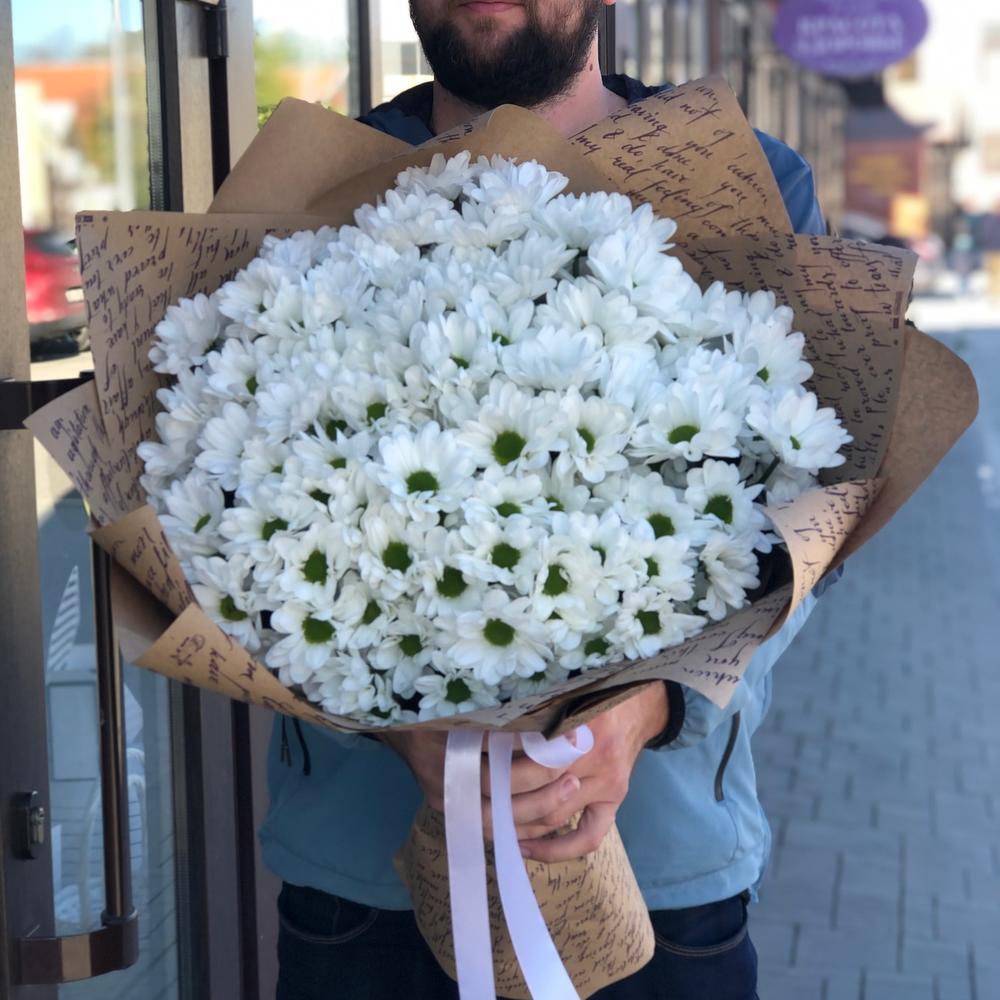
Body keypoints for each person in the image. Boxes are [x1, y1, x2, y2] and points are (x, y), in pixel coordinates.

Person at [261, 1, 831, 997]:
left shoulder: (746, 181)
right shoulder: (311, 182)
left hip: (655, 874)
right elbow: (223, 522)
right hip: (363, 885)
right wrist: (386, 716)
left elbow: (817, 522)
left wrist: (655, 707)